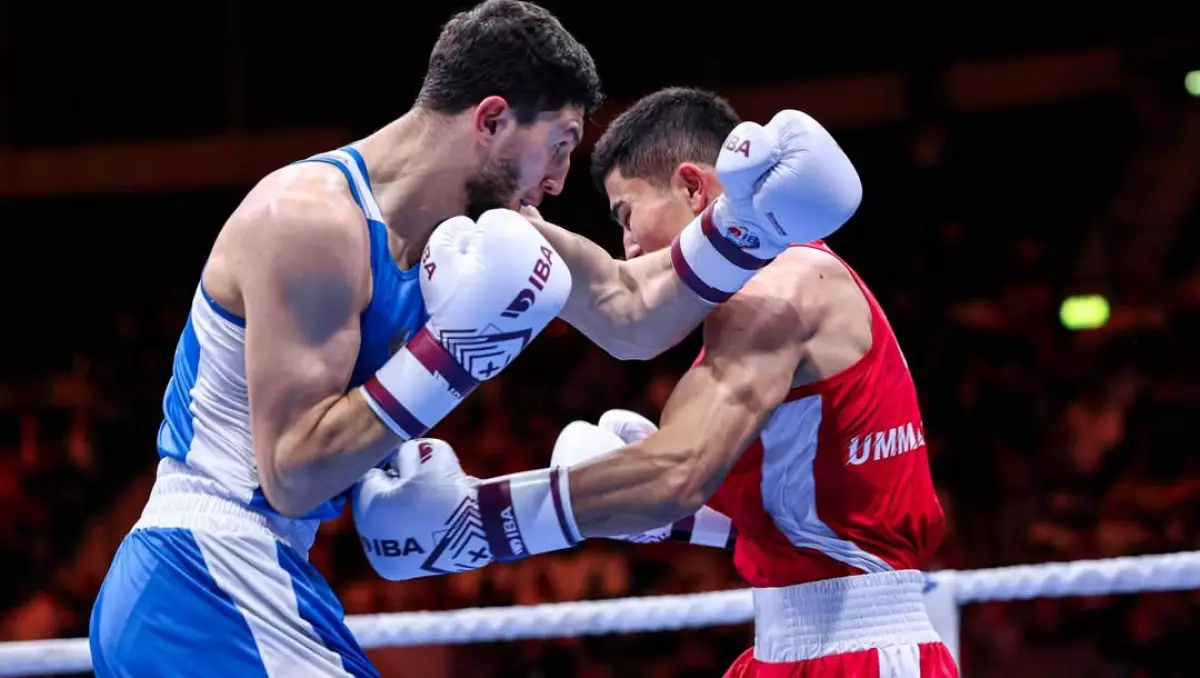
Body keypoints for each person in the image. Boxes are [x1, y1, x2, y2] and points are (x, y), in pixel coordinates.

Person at [88, 2, 859, 674]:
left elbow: (633, 312)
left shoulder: (496, 235)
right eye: (558, 144)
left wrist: (749, 223)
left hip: (258, 577)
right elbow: (292, 475)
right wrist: (454, 357)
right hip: (205, 573)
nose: (558, 179)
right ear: (491, 120)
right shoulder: (309, 220)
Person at [353, 88, 955, 677]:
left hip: (859, 652)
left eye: (627, 215)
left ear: (693, 188)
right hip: (794, 644)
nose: (630, 245)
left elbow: (676, 476)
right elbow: (815, 512)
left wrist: (478, 522)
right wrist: (677, 522)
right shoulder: (777, 288)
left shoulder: (777, 291)